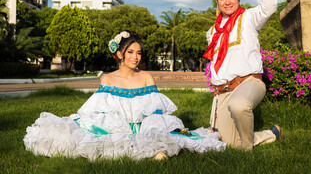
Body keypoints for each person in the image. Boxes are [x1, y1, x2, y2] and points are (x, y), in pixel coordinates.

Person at [24, 31, 225, 160]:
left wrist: (147, 130)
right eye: (130, 52)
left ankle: (158, 148)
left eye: (138, 53)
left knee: (161, 129)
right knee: (83, 136)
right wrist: (118, 130)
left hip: (144, 125)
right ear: (119, 54)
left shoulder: (147, 77)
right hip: (117, 126)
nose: (135, 57)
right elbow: (102, 114)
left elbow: (154, 113)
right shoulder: (108, 79)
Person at [203, 0, 281, 151]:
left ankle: (248, 151)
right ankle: (270, 134)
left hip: (249, 83)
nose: (227, 2)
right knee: (229, 143)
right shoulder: (212, 32)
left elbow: (269, 6)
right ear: (217, 2)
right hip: (223, 92)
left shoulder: (249, 18)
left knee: (238, 106)